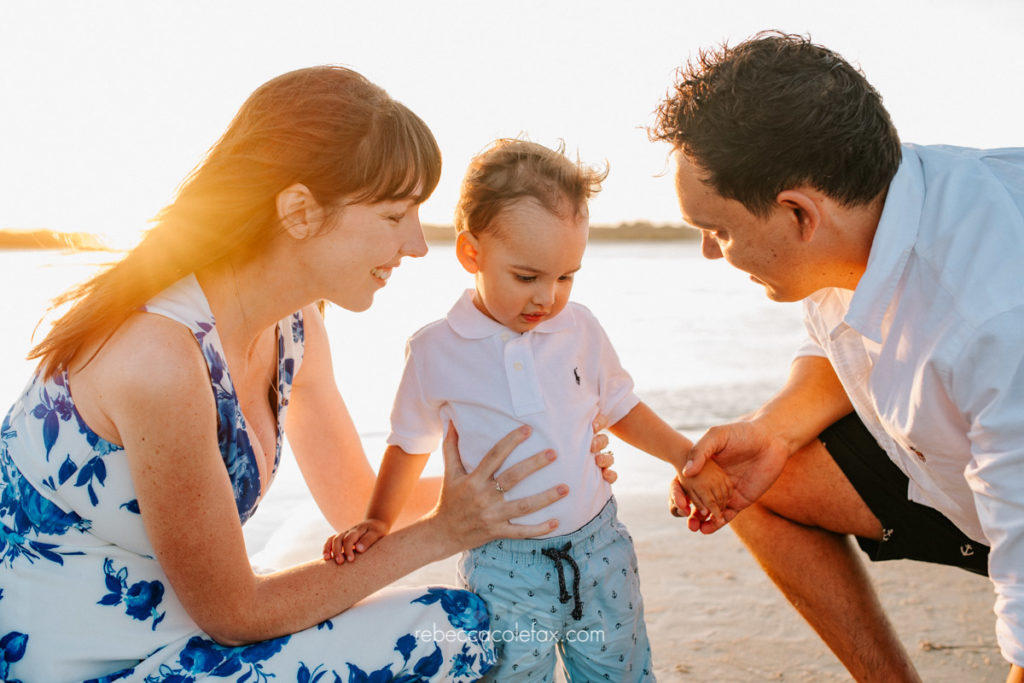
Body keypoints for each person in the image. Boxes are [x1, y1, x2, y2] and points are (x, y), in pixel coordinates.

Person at [0, 66, 619, 683]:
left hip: (176, 631)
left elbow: (355, 502)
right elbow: (235, 615)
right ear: (299, 210)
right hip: (74, 664)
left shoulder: (296, 329)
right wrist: (445, 532)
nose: (417, 245)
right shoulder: (158, 355)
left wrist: (539, 472)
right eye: (393, 215)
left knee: (457, 626)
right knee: (447, 632)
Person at [651, 31, 1024, 683]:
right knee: (746, 480)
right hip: (964, 473)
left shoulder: (990, 320)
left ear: (799, 213)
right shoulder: (868, 201)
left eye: (719, 229)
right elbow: (842, 338)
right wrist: (774, 430)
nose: (711, 252)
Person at [324, 138, 732, 681]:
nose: (548, 298)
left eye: (566, 276)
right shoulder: (434, 351)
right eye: (527, 277)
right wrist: (377, 518)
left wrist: (684, 456)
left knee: (622, 673)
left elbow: (620, 406)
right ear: (473, 254)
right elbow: (409, 441)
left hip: (599, 549)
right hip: (502, 568)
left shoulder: (580, 328)